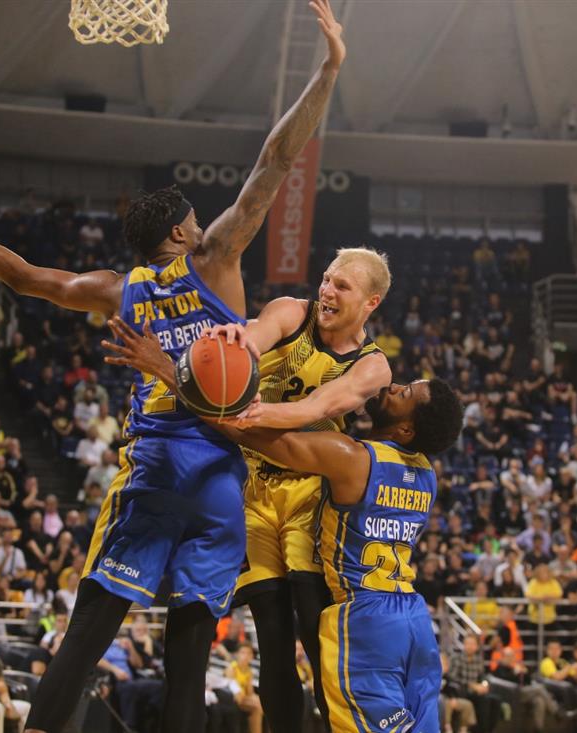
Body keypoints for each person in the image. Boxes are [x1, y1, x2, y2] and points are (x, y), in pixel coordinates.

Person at [0, 3, 345, 730]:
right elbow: (276, 158)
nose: (202, 222)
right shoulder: (217, 258)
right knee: (190, 645)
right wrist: (328, 69)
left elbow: (25, 278)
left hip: (156, 466)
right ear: (180, 231)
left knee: (91, 626)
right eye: (195, 218)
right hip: (220, 475)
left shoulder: (117, 289)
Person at [105, 246, 393, 733]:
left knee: (312, 626)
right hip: (254, 493)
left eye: (342, 286)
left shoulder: (373, 366)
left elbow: (314, 408)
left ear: (371, 301)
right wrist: (236, 342)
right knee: (273, 635)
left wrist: (240, 412)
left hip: (310, 497)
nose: (326, 290)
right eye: (326, 279)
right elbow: (254, 338)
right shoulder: (290, 311)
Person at [209, 379, 464, 731]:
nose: (393, 387)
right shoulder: (427, 475)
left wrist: (183, 382)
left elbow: (263, 441)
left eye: (404, 394)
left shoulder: (353, 458)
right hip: (413, 622)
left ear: (406, 428)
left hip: (365, 620)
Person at [227, 642, 263, 733]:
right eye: (243, 652)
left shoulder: (249, 671)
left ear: (251, 656)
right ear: (237, 654)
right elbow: (232, 689)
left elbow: (250, 693)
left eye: (248, 653)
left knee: (266, 704)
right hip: (234, 698)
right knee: (258, 707)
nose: (245, 656)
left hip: (245, 698)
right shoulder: (232, 668)